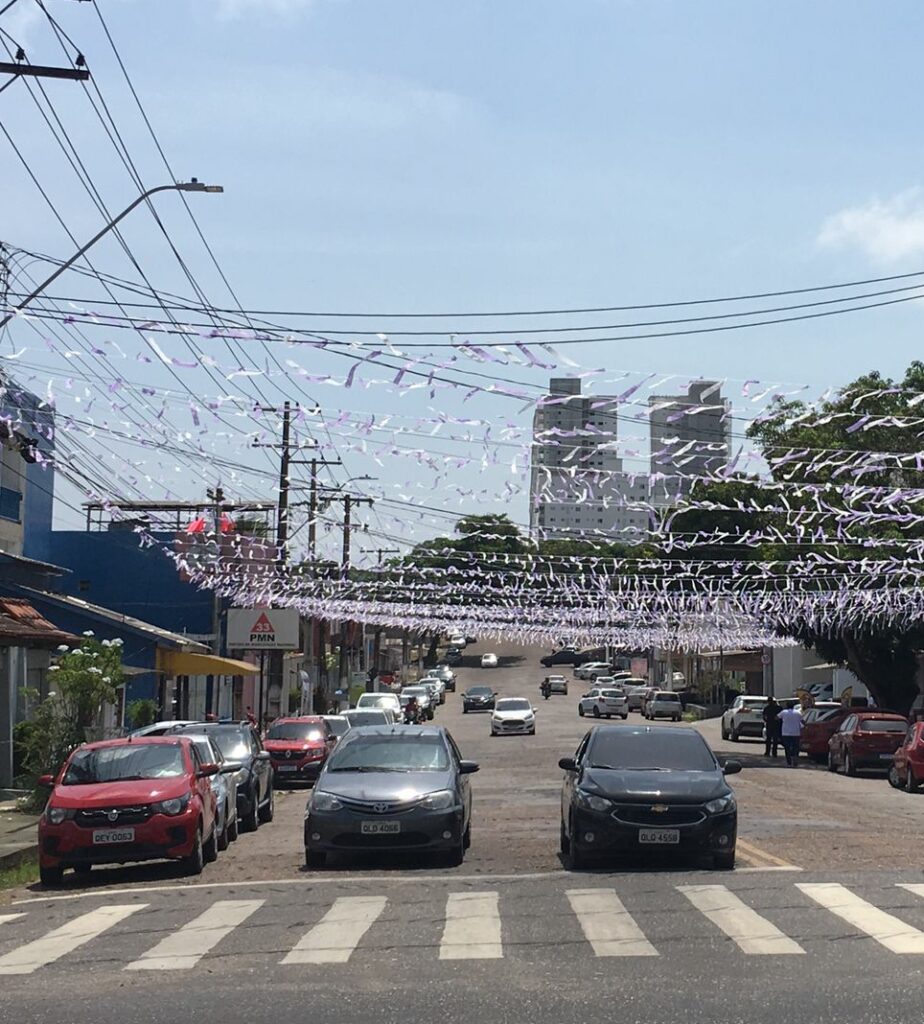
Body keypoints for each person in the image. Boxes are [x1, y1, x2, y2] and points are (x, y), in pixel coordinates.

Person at [778, 701, 804, 767]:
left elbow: (776, 717)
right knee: (796, 748)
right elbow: (803, 721)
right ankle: (795, 761)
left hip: (786, 733)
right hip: (796, 733)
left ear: (787, 706)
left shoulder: (784, 712)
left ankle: (789, 762)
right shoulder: (798, 713)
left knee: (787, 748)